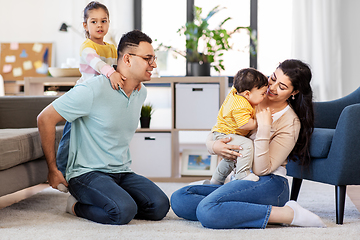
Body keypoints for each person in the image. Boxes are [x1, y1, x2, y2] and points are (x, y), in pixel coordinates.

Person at [171, 59, 327, 229]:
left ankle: (289, 213)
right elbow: (221, 127)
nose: (272, 88)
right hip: (240, 179)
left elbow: (262, 169)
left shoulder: (290, 123)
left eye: (282, 87)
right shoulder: (247, 91)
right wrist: (213, 146)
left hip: (269, 183)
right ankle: (238, 209)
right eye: (273, 78)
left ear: (294, 92)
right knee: (180, 199)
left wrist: (264, 127)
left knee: (207, 211)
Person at [37, 29, 170, 225]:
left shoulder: (140, 93)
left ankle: (112, 197)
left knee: (159, 206)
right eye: (148, 58)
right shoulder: (93, 89)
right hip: (87, 173)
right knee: (123, 211)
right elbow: (44, 118)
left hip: (122, 172)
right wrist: (52, 169)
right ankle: (75, 206)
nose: (154, 64)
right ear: (127, 59)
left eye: (154, 58)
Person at [56, 2, 133, 190]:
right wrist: (111, 73)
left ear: (108, 23)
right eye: (94, 21)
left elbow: (124, 63)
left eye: (104, 21)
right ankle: (61, 172)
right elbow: (96, 62)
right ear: (85, 25)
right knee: (70, 135)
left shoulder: (112, 48)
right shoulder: (87, 46)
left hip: (102, 99)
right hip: (84, 96)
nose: (99, 25)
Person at [208, 68, 268, 185]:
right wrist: (261, 121)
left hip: (221, 132)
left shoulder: (235, 93)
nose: (264, 96)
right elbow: (245, 124)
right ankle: (242, 174)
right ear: (247, 94)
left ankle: (216, 181)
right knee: (246, 145)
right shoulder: (241, 105)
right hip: (225, 134)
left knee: (230, 159)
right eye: (262, 94)